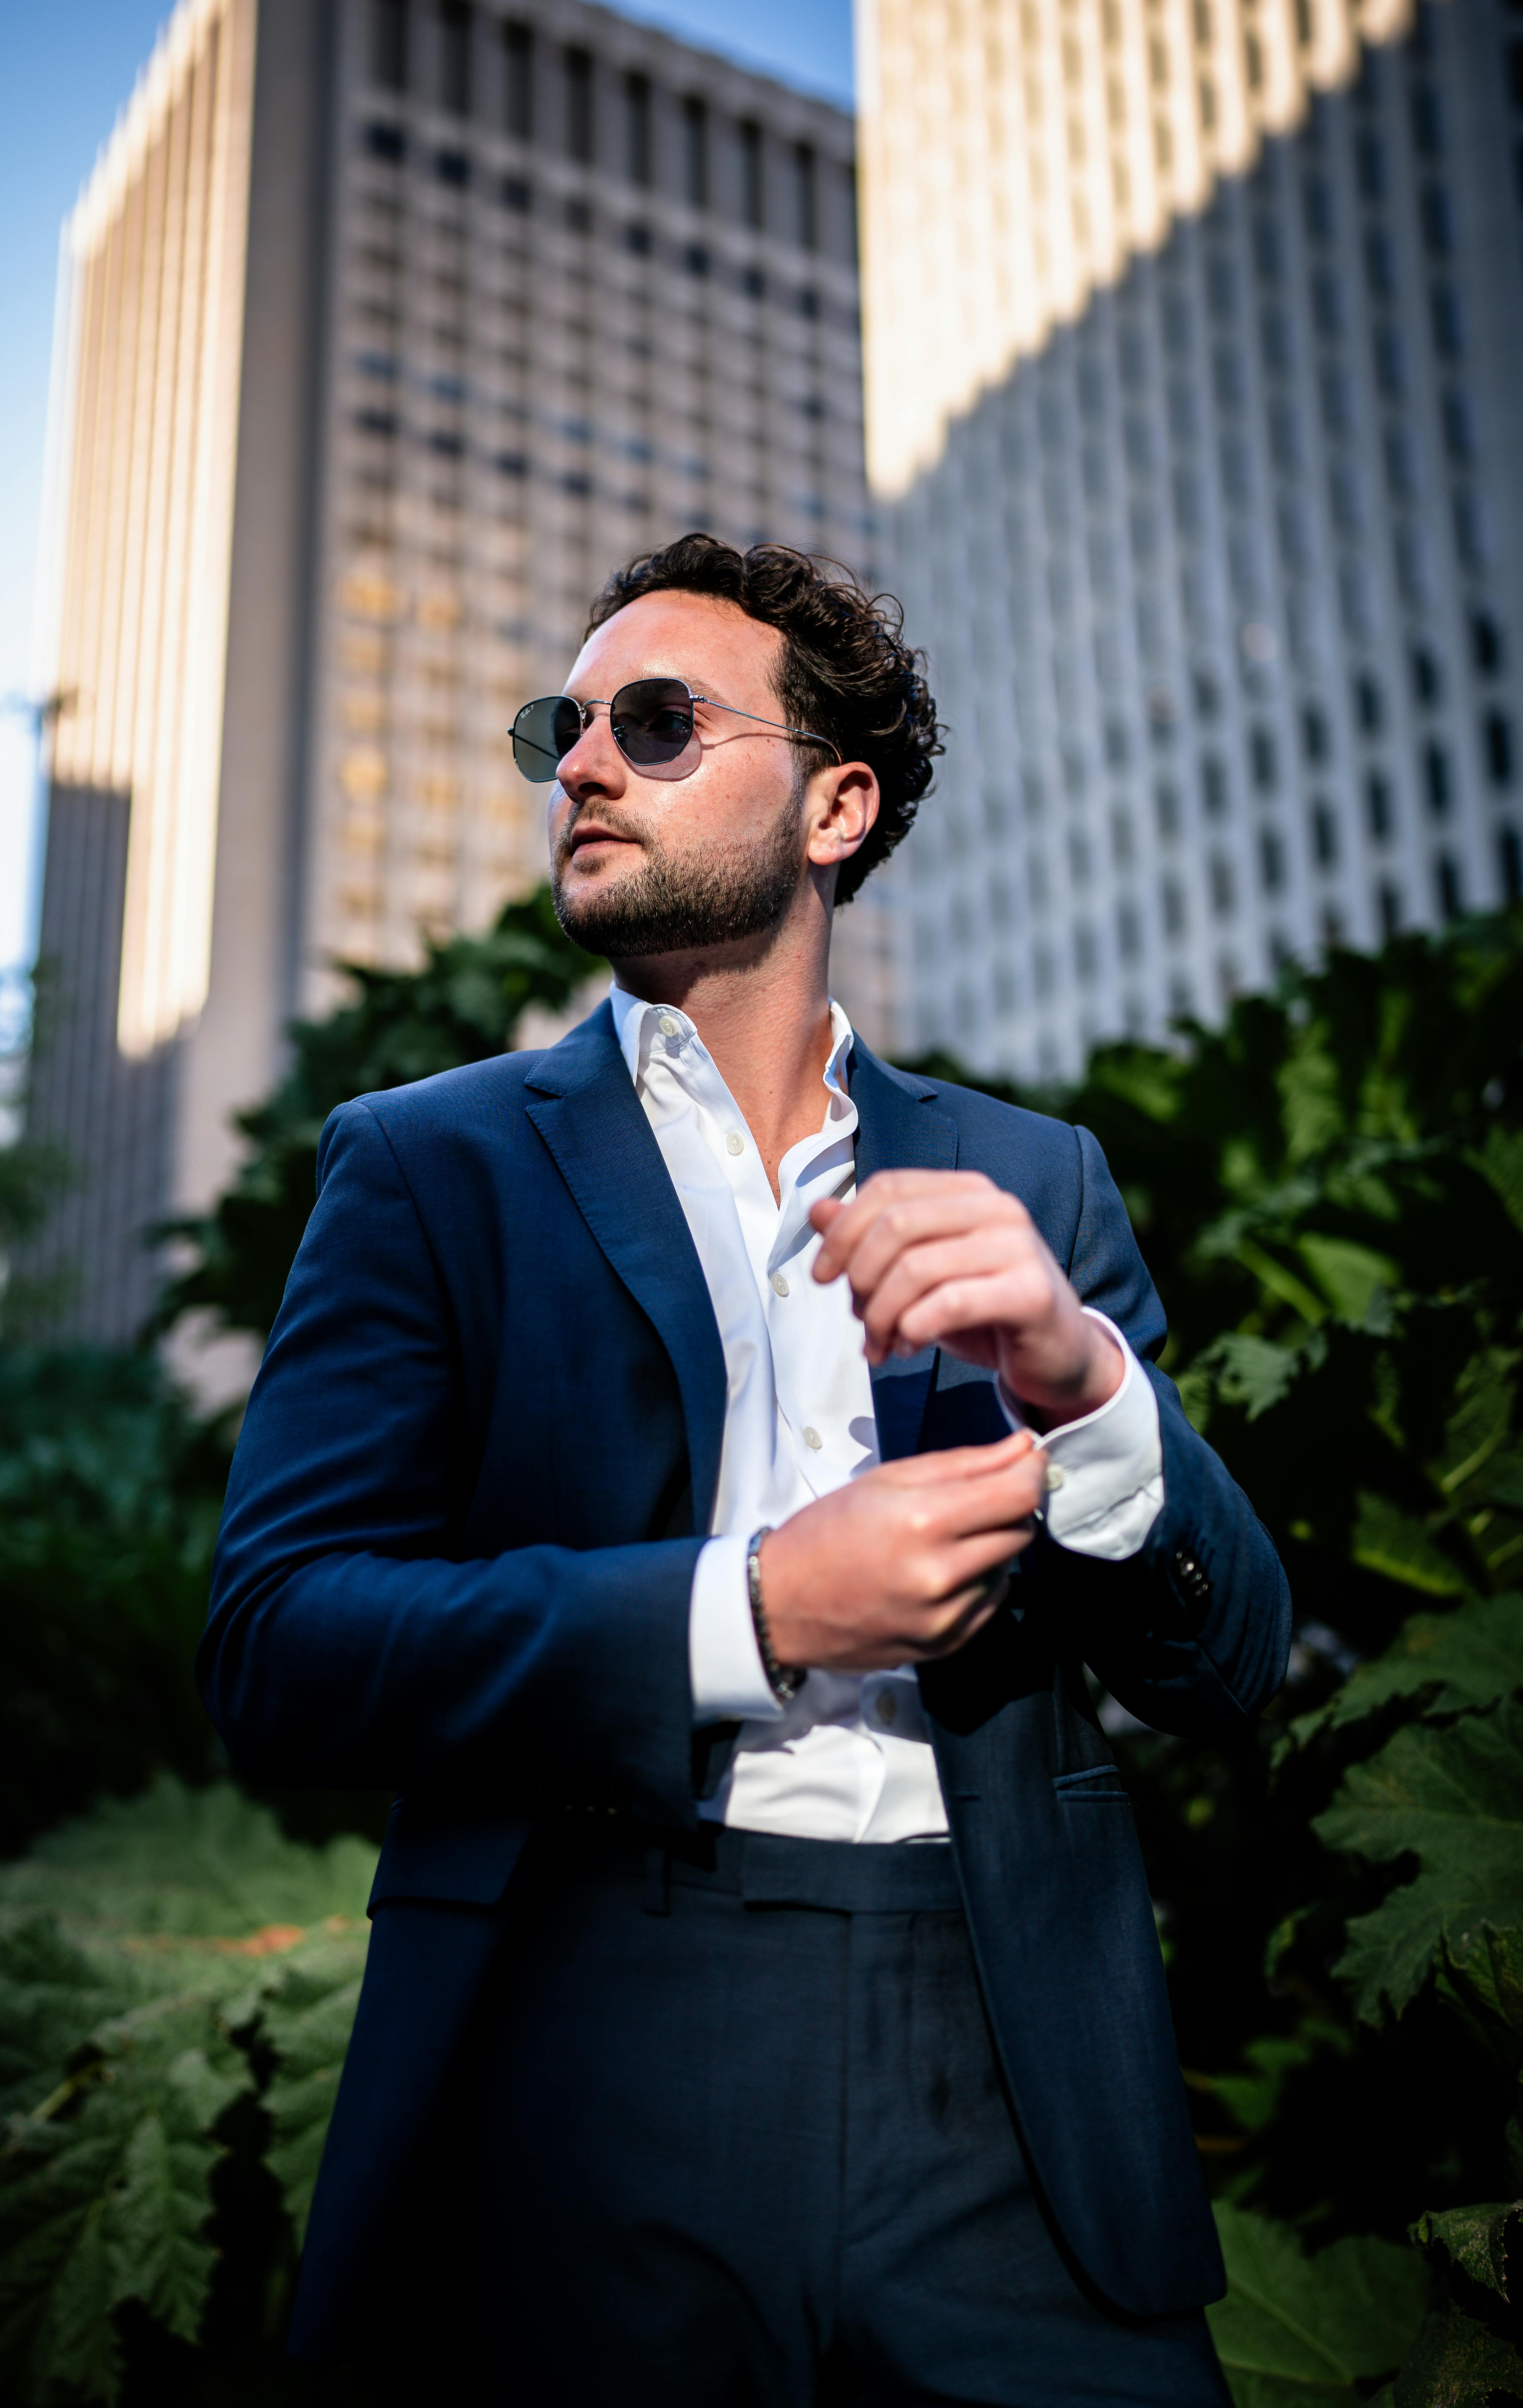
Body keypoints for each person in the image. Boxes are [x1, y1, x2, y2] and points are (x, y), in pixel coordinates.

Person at [201, 535, 1289, 2406]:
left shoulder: (1041, 1183)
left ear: (836, 804)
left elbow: (1230, 1660)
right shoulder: (425, 1164)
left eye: (655, 721)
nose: (582, 767)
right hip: (591, 2022)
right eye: (566, 728)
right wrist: (753, 1611)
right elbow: (281, 1648)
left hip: (1010, 2051)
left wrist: (1088, 1379)